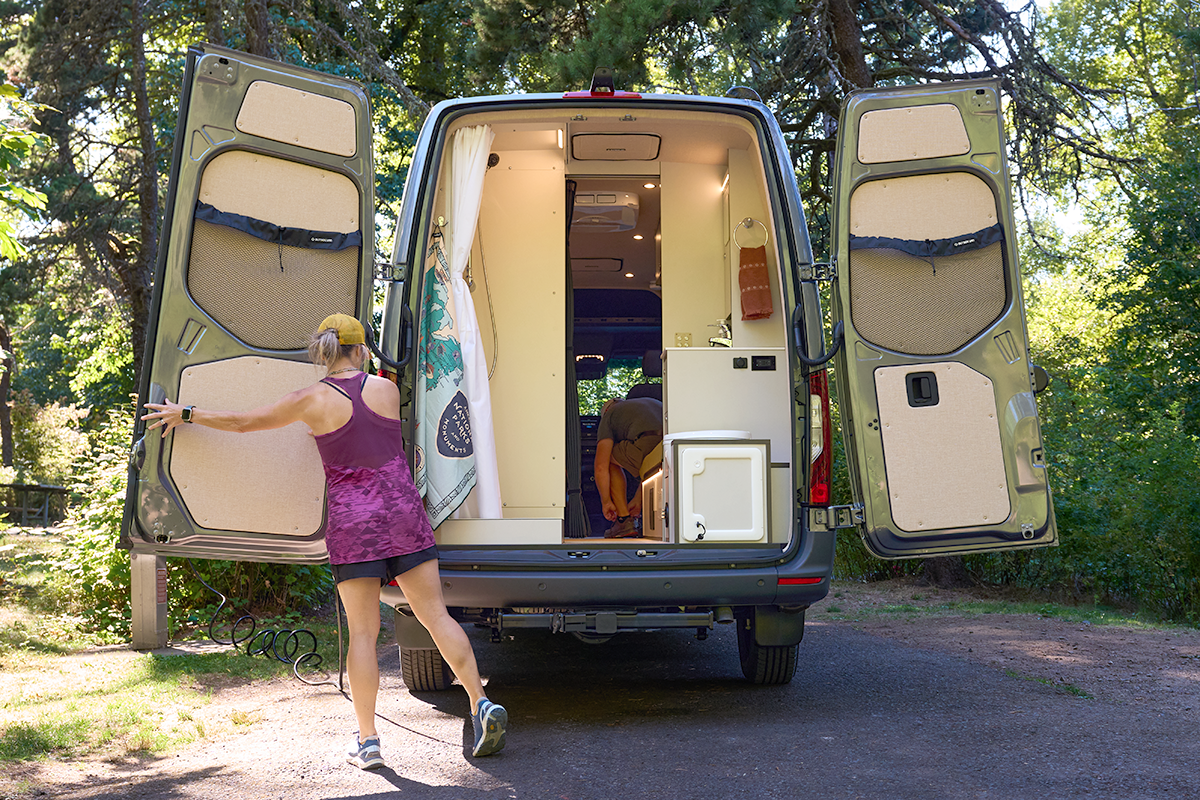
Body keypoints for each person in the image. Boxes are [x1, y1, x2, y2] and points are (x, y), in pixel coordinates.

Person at [141, 314, 507, 769]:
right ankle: (480, 703)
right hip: (401, 513)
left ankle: (369, 741)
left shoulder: (309, 399)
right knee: (435, 616)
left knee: (363, 634)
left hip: (354, 524)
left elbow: (243, 423)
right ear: (360, 349)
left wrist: (187, 413)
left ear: (326, 352)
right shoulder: (386, 390)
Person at [593, 396, 663, 538]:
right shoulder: (651, 403)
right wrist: (638, 499)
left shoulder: (609, 415)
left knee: (609, 458)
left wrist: (606, 502)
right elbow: (650, 465)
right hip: (668, 448)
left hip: (645, 443)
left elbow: (601, 467)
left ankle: (624, 520)